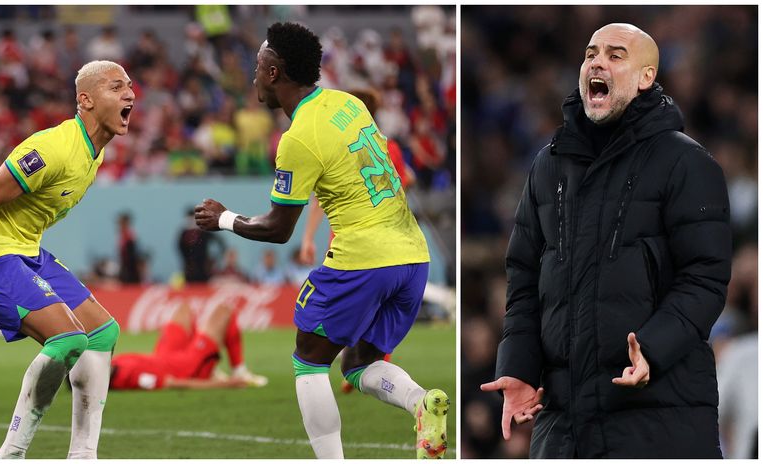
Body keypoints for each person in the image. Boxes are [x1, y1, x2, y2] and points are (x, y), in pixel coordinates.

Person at [194, 23, 448, 459]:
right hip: (413, 256)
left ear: (274, 72)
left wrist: (224, 219)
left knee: (308, 360)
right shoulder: (349, 103)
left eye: (257, 66)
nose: (253, 76)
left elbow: (279, 228)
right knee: (358, 364)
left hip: (363, 258)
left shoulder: (298, 138)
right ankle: (421, 403)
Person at [480, 23, 731, 458]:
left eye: (615, 55)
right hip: (564, 425)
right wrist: (519, 367)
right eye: (591, 54)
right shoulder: (548, 165)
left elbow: (705, 277)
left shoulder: (686, 162)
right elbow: (523, 279)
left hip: (659, 417)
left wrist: (652, 350)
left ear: (646, 77)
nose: (597, 62)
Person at [0, 60, 135, 459]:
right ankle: (10, 454)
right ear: (86, 100)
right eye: (116, 87)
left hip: (26, 249)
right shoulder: (53, 148)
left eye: (129, 86)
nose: (130, 94)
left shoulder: (95, 154)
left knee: (102, 332)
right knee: (68, 339)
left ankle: (83, 454)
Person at [110, 304, 267, 390]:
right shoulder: (128, 379)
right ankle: (238, 370)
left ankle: (208, 362)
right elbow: (174, 383)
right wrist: (227, 384)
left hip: (165, 355)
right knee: (224, 311)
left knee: (183, 309)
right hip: (187, 366)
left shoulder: (111, 362)